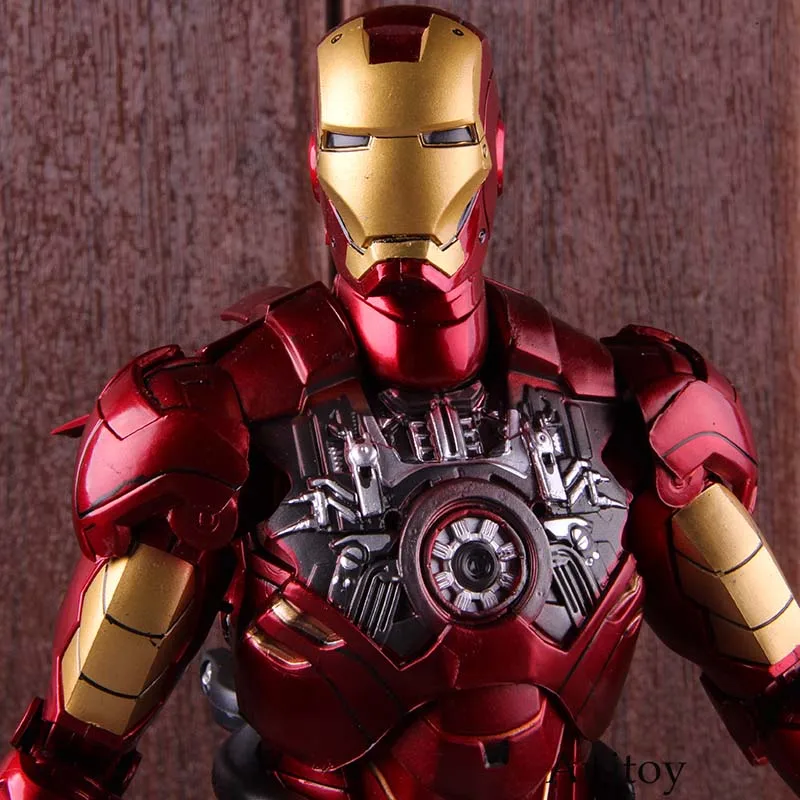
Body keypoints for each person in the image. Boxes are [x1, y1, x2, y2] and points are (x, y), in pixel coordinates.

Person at [2, 6, 798, 799]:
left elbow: (782, 682)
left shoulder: (630, 401)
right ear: (318, 160)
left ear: (492, 151)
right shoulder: (216, 417)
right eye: (358, 143)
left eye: (441, 138)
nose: (401, 177)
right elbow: (75, 748)